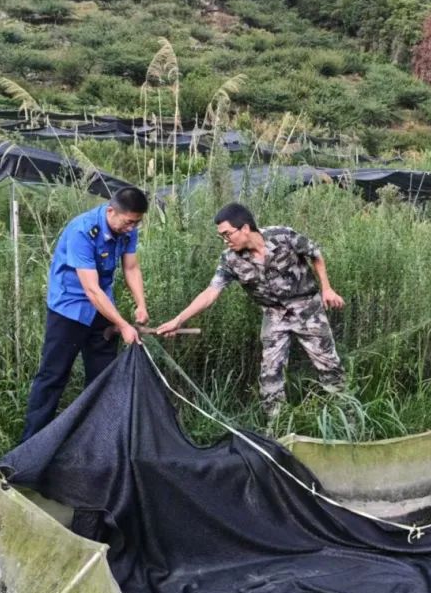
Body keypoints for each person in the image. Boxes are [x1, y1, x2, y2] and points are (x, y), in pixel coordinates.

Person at [157, 202, 345, 420]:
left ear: (245, 228)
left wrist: (327, 288)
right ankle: (277, 428)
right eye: (222, 237)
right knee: (270, 376)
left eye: (227, 234)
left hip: (307, 309)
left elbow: (315, 253)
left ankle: (346, 419)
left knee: (330, 367)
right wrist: (178, 320)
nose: (225, 240)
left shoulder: (283, 236)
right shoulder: (230, 259)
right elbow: (211, 292)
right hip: (274, 315)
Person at [21, 186, 150, 441]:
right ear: (111, 211)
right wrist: (124, 326)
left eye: (137, 223)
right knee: (54, 375)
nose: (132, 228)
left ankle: (95, 443)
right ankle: (30, 443)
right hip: (69, 309)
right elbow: (90, 290)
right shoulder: (82, 230)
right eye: (129, 222)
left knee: (102, 378)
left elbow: (132, 268)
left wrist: (141, 304)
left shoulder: (126, 229)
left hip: (103, 309)